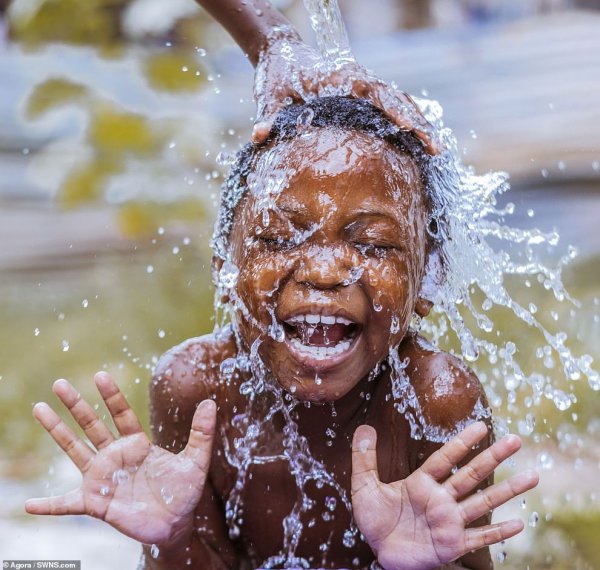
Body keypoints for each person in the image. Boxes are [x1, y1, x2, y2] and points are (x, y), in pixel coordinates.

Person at [25, 3, 538, 570]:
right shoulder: (197, 390)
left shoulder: (434, 401)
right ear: (225, 265)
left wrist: (422, 563)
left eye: (373, 243)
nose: (322, 271)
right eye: (278, 237)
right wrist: (171, 539)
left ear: (429, 277)